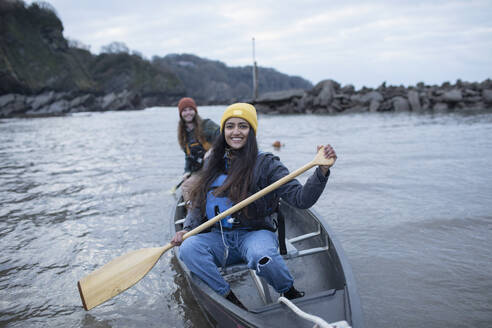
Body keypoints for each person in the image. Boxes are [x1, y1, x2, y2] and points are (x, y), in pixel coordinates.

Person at [171, 103, 337, 309]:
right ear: (223, 132)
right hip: (221, 237)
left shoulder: (266, 163)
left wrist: (321, 172)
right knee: (188, 249)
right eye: (230, 126)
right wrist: (187, 229)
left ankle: (288, 290)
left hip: (254, 234)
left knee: (263, 257)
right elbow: (197, 206)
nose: (236, 132)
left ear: (252, 131)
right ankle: (230, 300)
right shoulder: (212, 163)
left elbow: (301, 199)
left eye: (243, 126)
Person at [177, 97, 219, 202]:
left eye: (190, 109)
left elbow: (223, 136)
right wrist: (186, 171)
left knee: (188, 186)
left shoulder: (207, 125)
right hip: (199, 170)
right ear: (181, 113)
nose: (188, 113)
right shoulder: (184, 134)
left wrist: (212, 150)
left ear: (195, 111)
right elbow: (188, 156)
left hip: (215, 166)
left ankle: (194, 214)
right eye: (184, 110)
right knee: (186, 186)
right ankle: (193, 211)